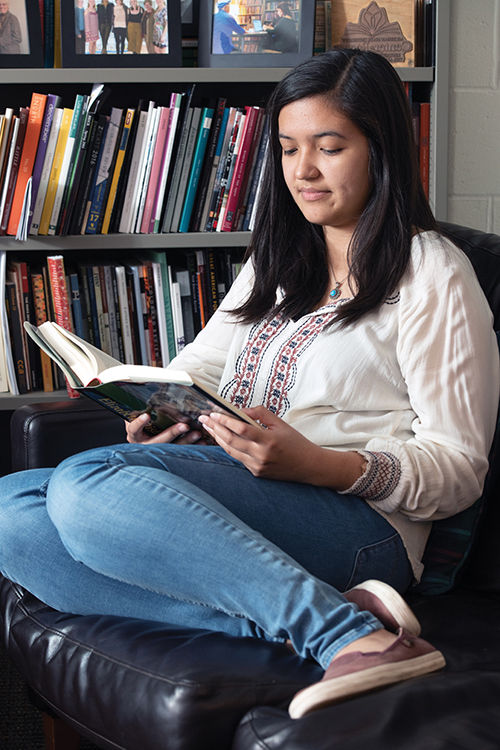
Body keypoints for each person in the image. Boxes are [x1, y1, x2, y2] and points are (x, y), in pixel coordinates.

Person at [0, 49, 498, 719]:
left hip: (362, 528)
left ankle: (348, 636)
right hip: (249, 491)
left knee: (86, 484)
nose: (305, 171)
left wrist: (322, 465)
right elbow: (199, 370)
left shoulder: (433, 273)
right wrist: (154, 405)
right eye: (290, 149)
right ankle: (326, 621)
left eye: (330, 147)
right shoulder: (282, 261)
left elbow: (459, 468)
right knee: (10, 508)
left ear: (382, 151)